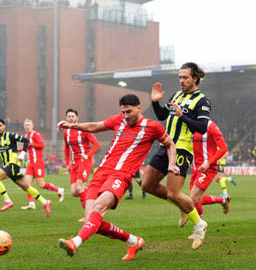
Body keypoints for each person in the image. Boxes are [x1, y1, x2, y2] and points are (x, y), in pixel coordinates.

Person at [57, 94, 178, 260]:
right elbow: (94, 126)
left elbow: (170, 144)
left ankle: (75, 243)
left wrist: (172, 164)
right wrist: (72, 126)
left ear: (139, 108)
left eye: (129, 112)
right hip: (101, 172)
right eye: (123, 112)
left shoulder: (153, 127)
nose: (126, 116)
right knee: (92, 222)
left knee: (99, 207)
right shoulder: (118, 120)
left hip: (121, 175)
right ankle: (134, 241)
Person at [141, 62, 211, 250]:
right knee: (147, 185)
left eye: (185, 77)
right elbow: (163, 115)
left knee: (174, 193)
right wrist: (155, 102)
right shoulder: (176, 95)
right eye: (179, 77)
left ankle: (199, 224)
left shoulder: (202, 100)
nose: (181, 80)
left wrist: (183, 117)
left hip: (182, 149)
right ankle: (183, 205)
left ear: (195, 78)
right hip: (166, 145)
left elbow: (202, 128)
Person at [0, 119, 52, 215]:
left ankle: (7, 201)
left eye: (0, 125)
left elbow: (26, 141)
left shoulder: (11, 136)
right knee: (25, 186)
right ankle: (44, 202)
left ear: (4, 126)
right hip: (7, 165)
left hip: (13, 163)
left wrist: (22, 154)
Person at [182, 119, 230, 237]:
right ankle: (222, 200)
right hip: (195, 167)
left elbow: (224, 149)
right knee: (195, 199)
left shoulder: (211, 126)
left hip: (207, 167)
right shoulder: (188, 124)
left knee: (192, 199)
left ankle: (199, 228)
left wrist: (209, 163)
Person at [63, 109, 100, 220]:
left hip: (85, 161)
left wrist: (88, 155)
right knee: (74, 192)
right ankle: (94, 193)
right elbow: (66, 147)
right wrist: (67, 162)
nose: (70, 118)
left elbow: (97, 145)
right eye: (68, 116)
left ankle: (87, 215)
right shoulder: (66, 132)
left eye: (73, 116)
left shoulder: (83, 130)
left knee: (79, 188)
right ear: (66, 118)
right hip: (74, 164)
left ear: (77, 118)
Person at [20, 119, 64, 210]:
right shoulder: (25, 136)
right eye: (26, 125)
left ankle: (59, 190)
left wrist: (31, 144)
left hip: (38, 162)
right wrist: (19, 150)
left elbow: (42, 145)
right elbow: (28, 148)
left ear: (32, 126)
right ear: (24, 127)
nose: (27, 126)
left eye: (29, 125)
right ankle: (31, 204)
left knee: (41, 184)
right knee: (26, 185)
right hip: (30, 163)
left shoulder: (36, 134)